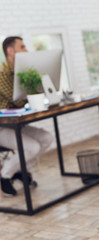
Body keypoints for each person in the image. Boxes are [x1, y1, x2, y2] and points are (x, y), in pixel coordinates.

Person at [0, 36, 53, 197]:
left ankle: (20, 172)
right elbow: (17, 98)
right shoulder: (3, 75)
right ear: (10, 51)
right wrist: (34, 88)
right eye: (22, 47)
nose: (26, 50)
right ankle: (5, 176)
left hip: (17, 124)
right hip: (3, 127)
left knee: (47, 138)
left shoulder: (20, 73)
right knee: (32, 147)